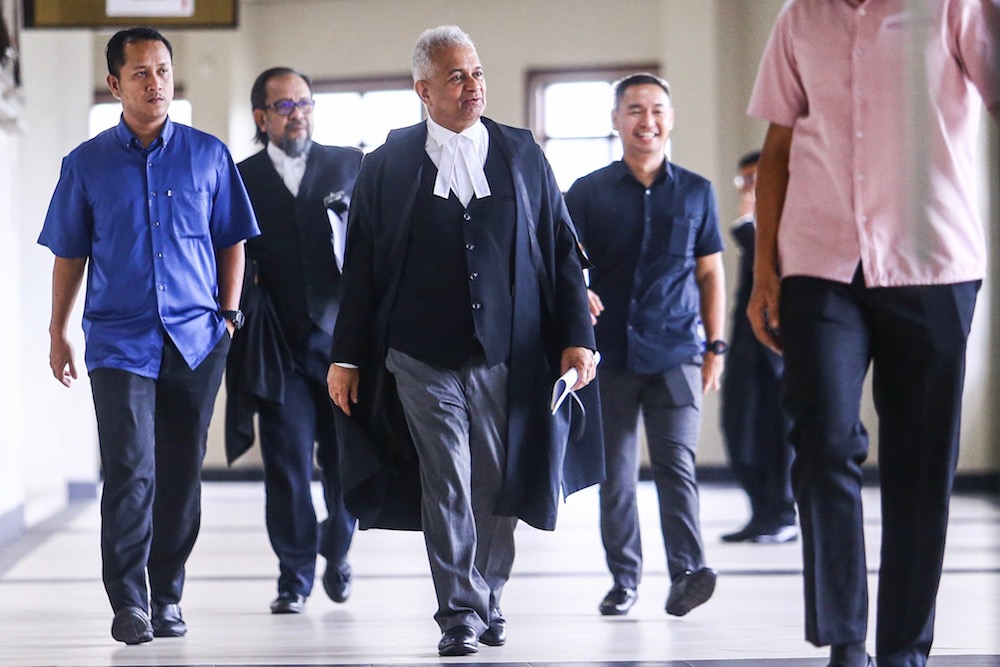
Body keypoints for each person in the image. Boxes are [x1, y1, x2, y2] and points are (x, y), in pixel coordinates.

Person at [327, 25, 600, 657]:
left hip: (508, 350)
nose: (472, 85)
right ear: (422, 89)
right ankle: (458, 612)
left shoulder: (521, 153)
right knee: (446, 474)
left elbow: (561, 249)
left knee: (497, 478)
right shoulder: (387, 163)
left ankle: (489, 596)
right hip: (417, 353)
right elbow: (361, 266)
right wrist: (345, 356)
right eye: (456, 76)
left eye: (475, 73)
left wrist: (576, 337)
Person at [746, 1, 999, 665]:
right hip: (821, 262)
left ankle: (904, 650)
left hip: (933, 260)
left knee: (921, 466)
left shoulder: (955, 7)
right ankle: (845, 639)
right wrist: (764, 273)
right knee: (824, 437)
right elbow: (777, 147)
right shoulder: (801, 17)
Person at [38, 27, 259, 645]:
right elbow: (69, 254)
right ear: (115, 85)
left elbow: (230, 240)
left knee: (181, 472)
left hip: (196, 337)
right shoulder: (85, 165)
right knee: (131, 468)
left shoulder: (209, 155)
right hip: (118, 340)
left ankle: (168, 596)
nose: (154, 82)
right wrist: (57, 332)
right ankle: (129, 600)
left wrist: (229, 314)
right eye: (140, 73)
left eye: (162, 70)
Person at [565, 73, 726, 618]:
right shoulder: (586, 192)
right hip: (606, 354)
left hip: (678, 350)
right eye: (634, 109)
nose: (646, 120)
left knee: (677, 465)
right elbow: (562, 262)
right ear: (616, 120)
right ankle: (624, 579)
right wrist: (577, 290)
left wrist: (716, 346)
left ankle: (687, 573)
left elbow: (710, 275)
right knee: (616, 476)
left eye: (657, 109)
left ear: (670, 118)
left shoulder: (698, 192)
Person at [225, 67, 361, 615]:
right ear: (261, 117)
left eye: (304, 102)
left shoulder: (350, 165)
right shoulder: (241, 178)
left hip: (343, 350)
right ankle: (294, 575)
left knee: (348, 464)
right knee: (285, 468)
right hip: (276, 350)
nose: (297, 113)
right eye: (284, 106)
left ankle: (340, 547)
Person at [718, 150, 796, 544]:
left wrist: (752, 207)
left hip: (778, 349)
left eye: (757, 179)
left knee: (775, 434)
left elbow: (750, 236)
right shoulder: (754, 228)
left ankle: (782, 515)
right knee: (739, 428)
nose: (749, 187)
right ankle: (760, 513)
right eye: (744, 180)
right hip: (746, 346)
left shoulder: (785, 222)